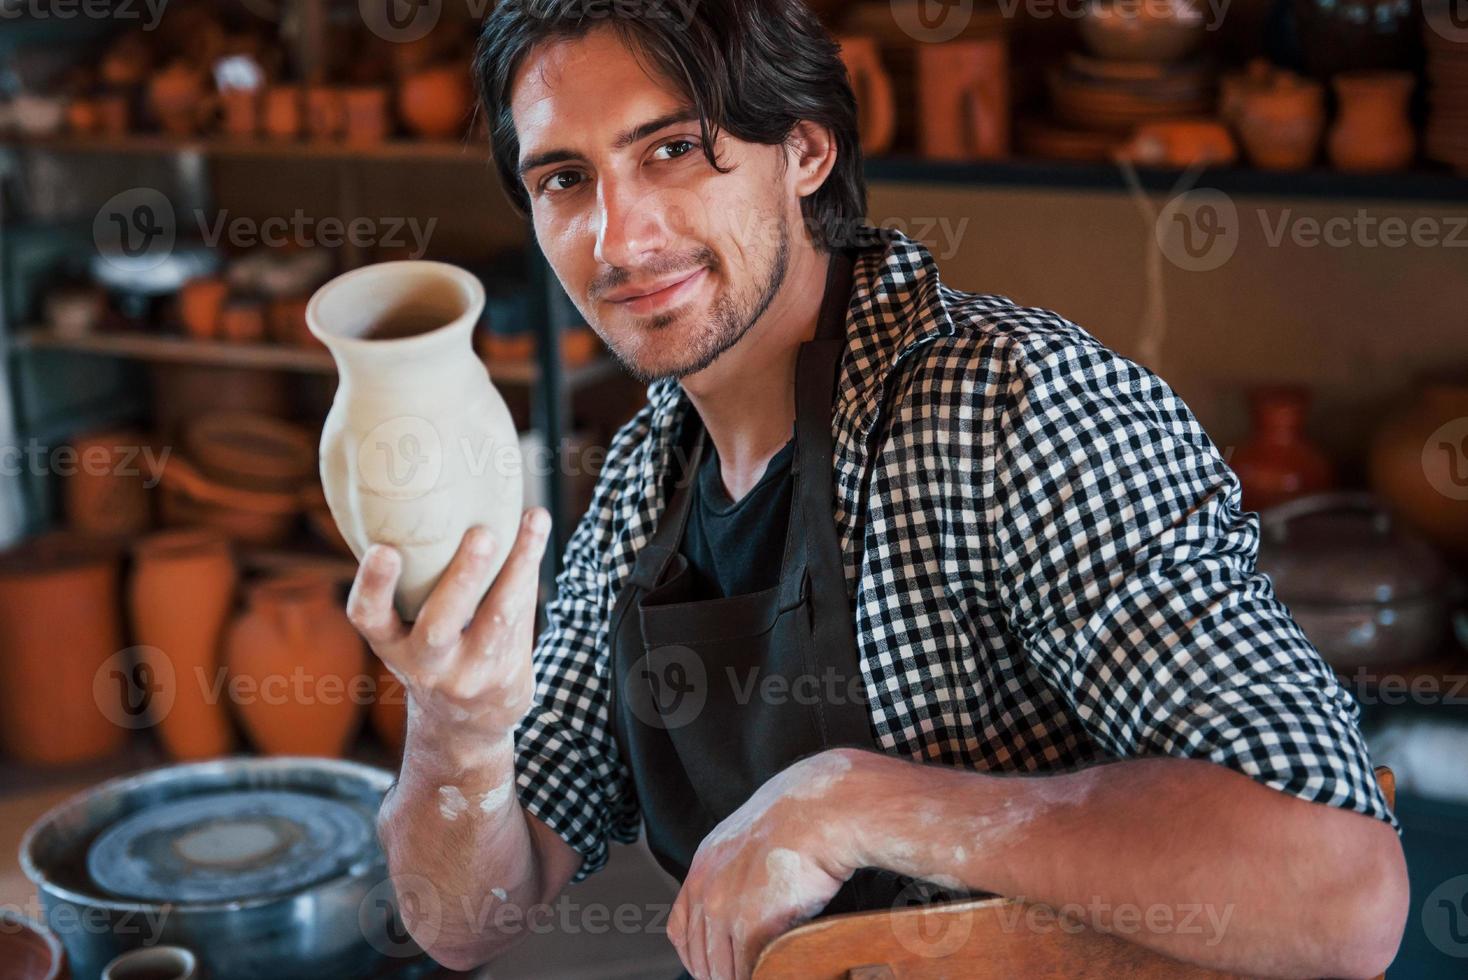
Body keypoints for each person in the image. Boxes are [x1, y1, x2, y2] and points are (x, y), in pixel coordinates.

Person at [348, 2, 1408, 978]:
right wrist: (458, 723)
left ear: (804, 149)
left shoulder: (1015, 407)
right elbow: (466, 916)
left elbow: (1341, 886)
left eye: (671, 149)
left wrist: (861, 801)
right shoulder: (636, 486)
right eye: (564, 179)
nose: (617, 239)